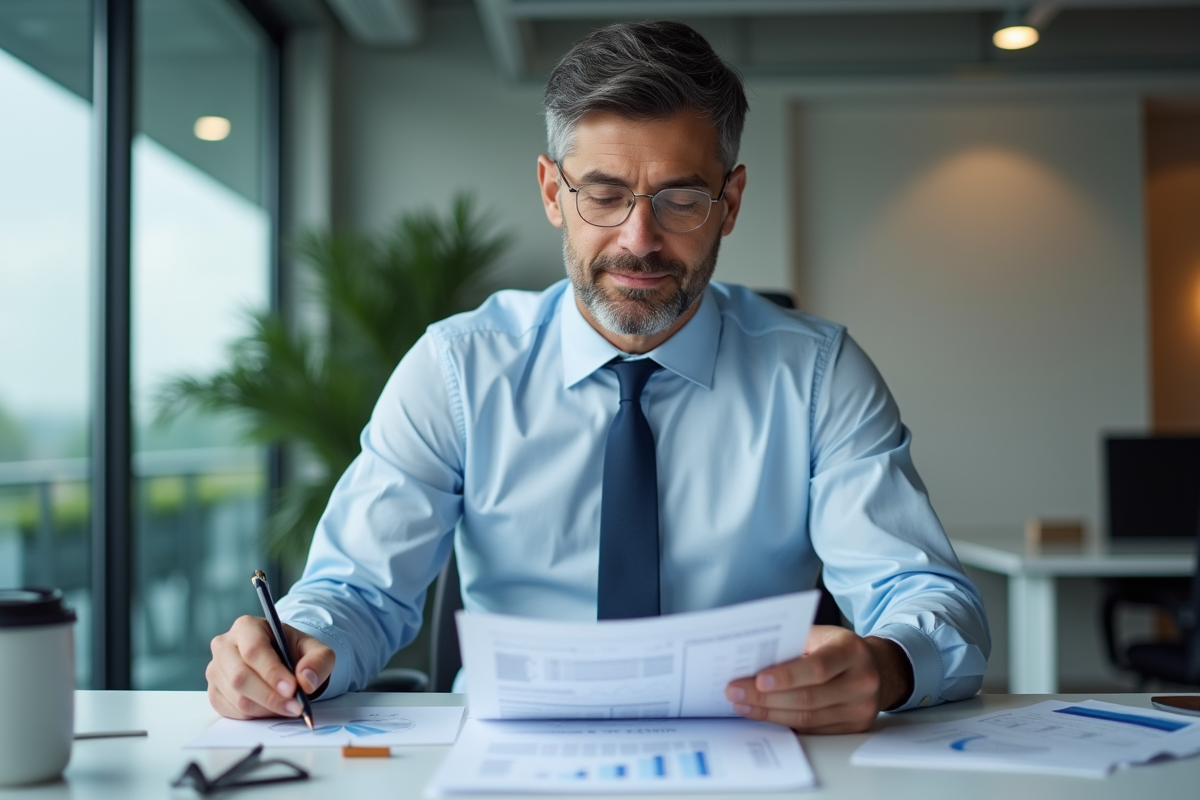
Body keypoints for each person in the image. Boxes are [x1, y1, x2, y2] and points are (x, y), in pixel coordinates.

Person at [205, 20, 990, 734]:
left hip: (748, 745)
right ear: (554, 193)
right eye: (605, 196)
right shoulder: (456, 369)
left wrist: (888, 664)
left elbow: (927, 597)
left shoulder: (819, 375)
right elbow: (357, 593)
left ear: (730, 202)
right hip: (510, 755)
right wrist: (295, 649)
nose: (638, 240)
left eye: (680, 199)